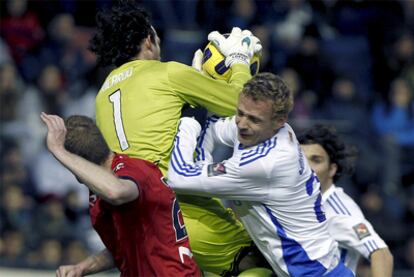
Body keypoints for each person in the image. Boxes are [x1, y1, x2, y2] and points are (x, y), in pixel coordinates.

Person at [89, 2, 262, 274]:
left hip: (136, 223)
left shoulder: (101, 96)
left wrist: (195, 86)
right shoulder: (166, 72)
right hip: (179, 208)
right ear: (148, 40)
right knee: (254, 260)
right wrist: (240, 62)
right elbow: (239, 102)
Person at [167, 72, 354, 276]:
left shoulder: (266, 164)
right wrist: (201, 161)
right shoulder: (266, 131)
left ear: (279, 121)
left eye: (254, 119)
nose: (242, 124)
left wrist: (188, 123)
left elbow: (178, 177)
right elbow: (212, 129)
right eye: (240, 113)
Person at [40, 112, 201, 277]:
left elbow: (116, 191)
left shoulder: (135, 171)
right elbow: (122, 248)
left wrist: (59, 150)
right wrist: (82, 268)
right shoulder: (99, 188)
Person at [298, 124, 394, 277]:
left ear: (332, 169)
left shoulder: (339, 210)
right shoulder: (293, 200)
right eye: (301, 160)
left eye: (316, 160)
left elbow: (381, 253)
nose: (307, 167)